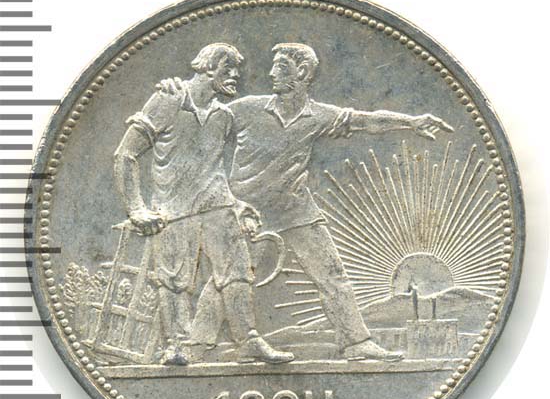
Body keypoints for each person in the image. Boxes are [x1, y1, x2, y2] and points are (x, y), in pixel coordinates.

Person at [159, 42, 453, 361]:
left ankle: (356, 343)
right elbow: (201, 117)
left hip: (296, 210)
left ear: (301, 72)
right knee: (226, 280)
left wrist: (411, 122)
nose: (271, 73)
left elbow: (366, 121)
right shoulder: (245, 109)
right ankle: (197, 346)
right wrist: (177, 92)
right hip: (247, 212)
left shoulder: (318, 116)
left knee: (332, 274)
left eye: (281, 67)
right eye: (273, 66)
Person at [113, 43, 294, 365]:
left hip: (217, 208)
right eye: (228, 69)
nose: (235, 76)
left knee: (238, 273)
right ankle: (176, 346)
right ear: (208, 67)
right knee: (174, 281)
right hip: (173, 211)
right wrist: (136, 208)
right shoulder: (168, 99)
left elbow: (212, 170)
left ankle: (248, 341)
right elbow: (126, 154)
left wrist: (237, 205)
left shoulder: (224, 116)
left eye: (237, 70)